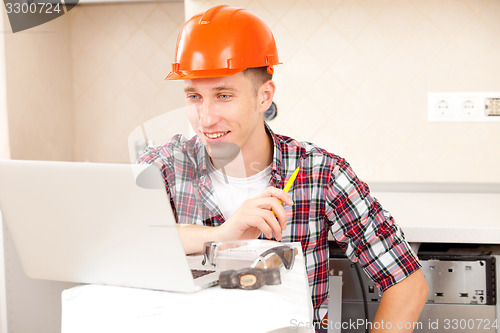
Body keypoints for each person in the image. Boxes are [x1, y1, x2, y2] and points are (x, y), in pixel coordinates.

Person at [139, 4, 428, 331]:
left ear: (264, 96)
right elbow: (125, 242)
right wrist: (219, 236)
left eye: (223, 95)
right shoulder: (164, 166)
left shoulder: (320, 173)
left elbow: (407, 283)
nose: (205, 119)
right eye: (194, 97)